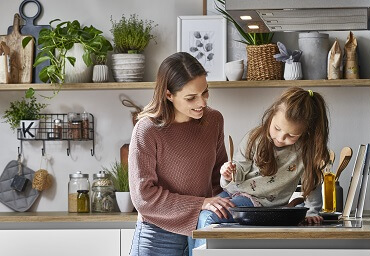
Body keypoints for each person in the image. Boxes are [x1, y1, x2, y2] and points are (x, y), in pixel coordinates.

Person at [192, 87, 330, 249]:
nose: (280, 138)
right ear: (271, 116)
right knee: (198, 216)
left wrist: (313, 212)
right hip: (236, 192)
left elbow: (312, 183)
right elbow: (239, 174)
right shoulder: (254, 138)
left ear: (306, 132)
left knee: (208, 217)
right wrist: (228, 174)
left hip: (257, 204)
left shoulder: (306, 151)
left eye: (291, 135)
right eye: (277, 128)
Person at [128, 52, 235, 256]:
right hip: (158, 235)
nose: (202, 102)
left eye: (205, 92)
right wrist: (200, 203)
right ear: (169, 95)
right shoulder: (147, 130)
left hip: (202, 229)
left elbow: (217, 182)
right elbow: (143, 197)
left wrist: (228, 179)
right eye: (191, 97)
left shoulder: (214, 120)